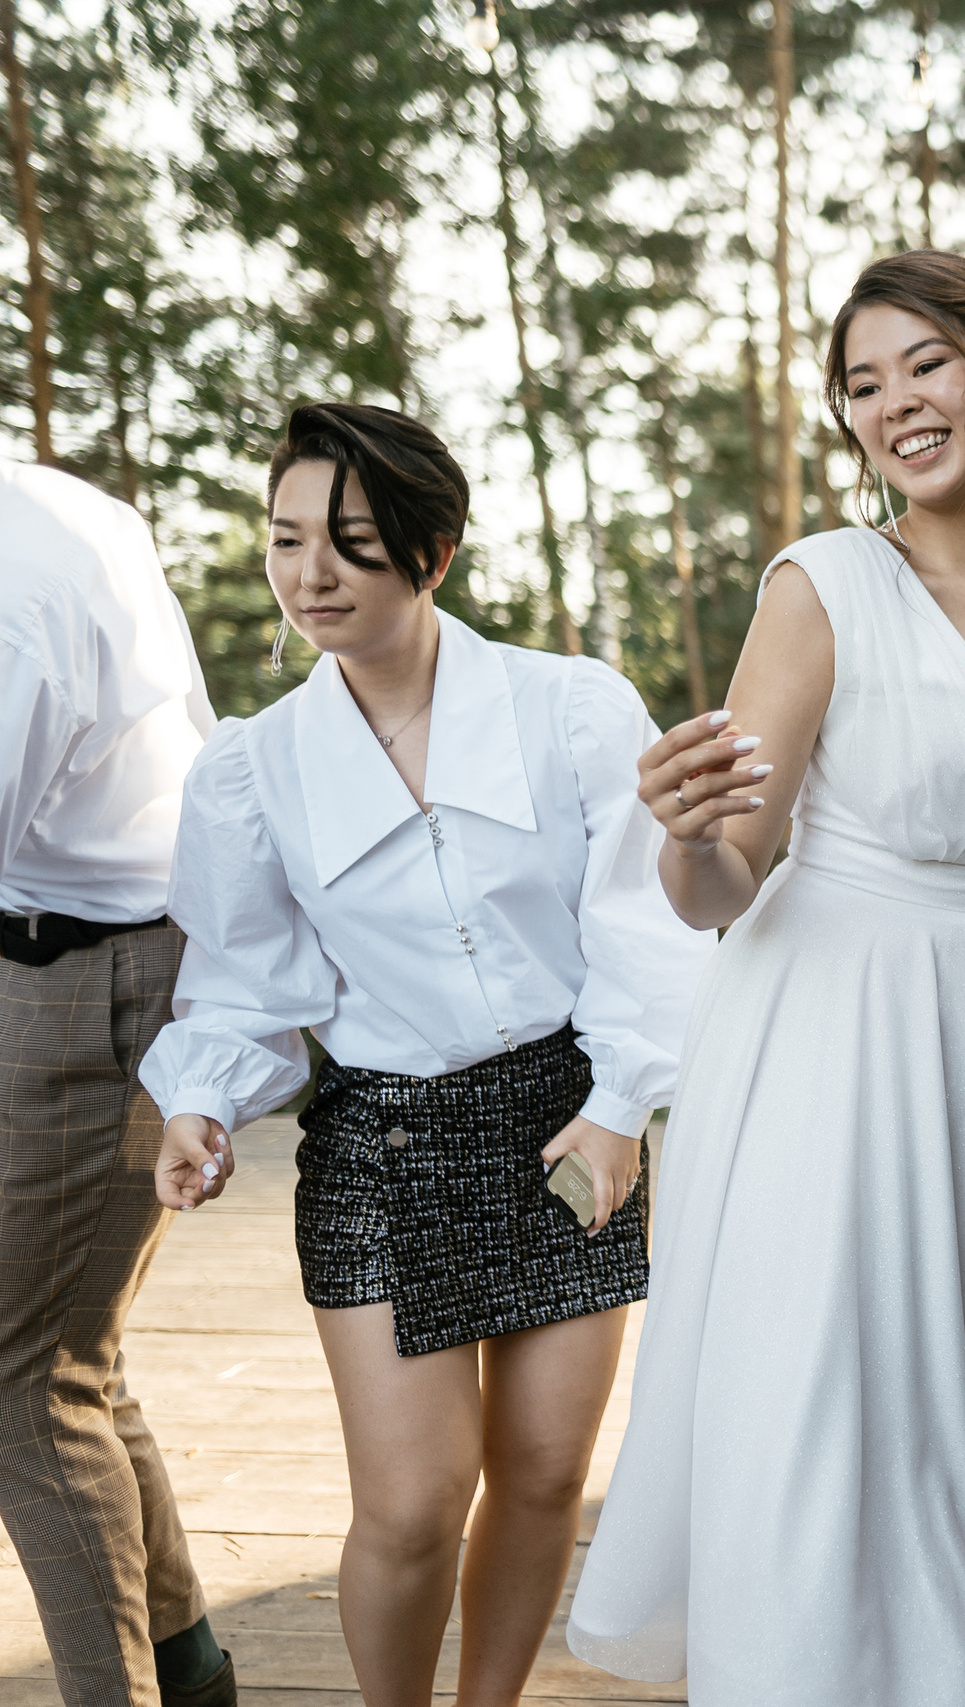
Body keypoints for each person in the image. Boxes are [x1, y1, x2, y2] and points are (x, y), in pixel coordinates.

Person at [565, 249, 965, 1706]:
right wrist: (688, 831)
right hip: (823, 1031)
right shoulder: (822, 582)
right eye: (862, 382)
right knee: (834, 1381)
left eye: (926, 364)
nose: (895, 403)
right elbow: (728, 878)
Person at [140, 402, 711, 1707]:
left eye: (348, 539)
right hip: (380, 1142)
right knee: (407, 1504)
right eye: (286, 540)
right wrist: (201, 1104)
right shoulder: (251, 769)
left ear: (434, 549)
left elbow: (635, 920)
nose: (311, 574)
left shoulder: (568, 707)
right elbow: (242, 982)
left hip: (570, 1123)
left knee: (546, 1469)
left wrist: (622, 1102)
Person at [0, 463, 232, 1706]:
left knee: (18, 1385)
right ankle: (191, 1667)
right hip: (90, 954)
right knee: (66, 1358)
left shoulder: (14, 584)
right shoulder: (65, 504)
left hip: (94, 974)